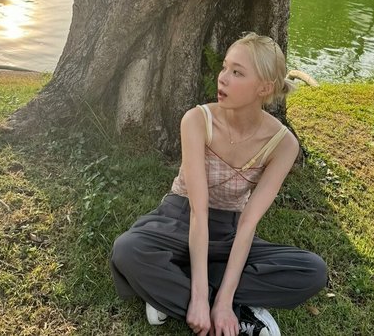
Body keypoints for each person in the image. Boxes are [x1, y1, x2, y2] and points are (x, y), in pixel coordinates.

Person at [110, 32, 327, 336]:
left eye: (237, 72)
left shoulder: (283, 144)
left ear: (264, 88)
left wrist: (224, 301)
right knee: (128, 250)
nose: (222, 78)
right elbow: (198, 212)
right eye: (225, 67)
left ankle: (177, 289)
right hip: (180, 218)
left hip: (230, 232)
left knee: (312, 271)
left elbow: (248, 224)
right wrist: (200, 298)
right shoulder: (197, 120)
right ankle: (233, 309)